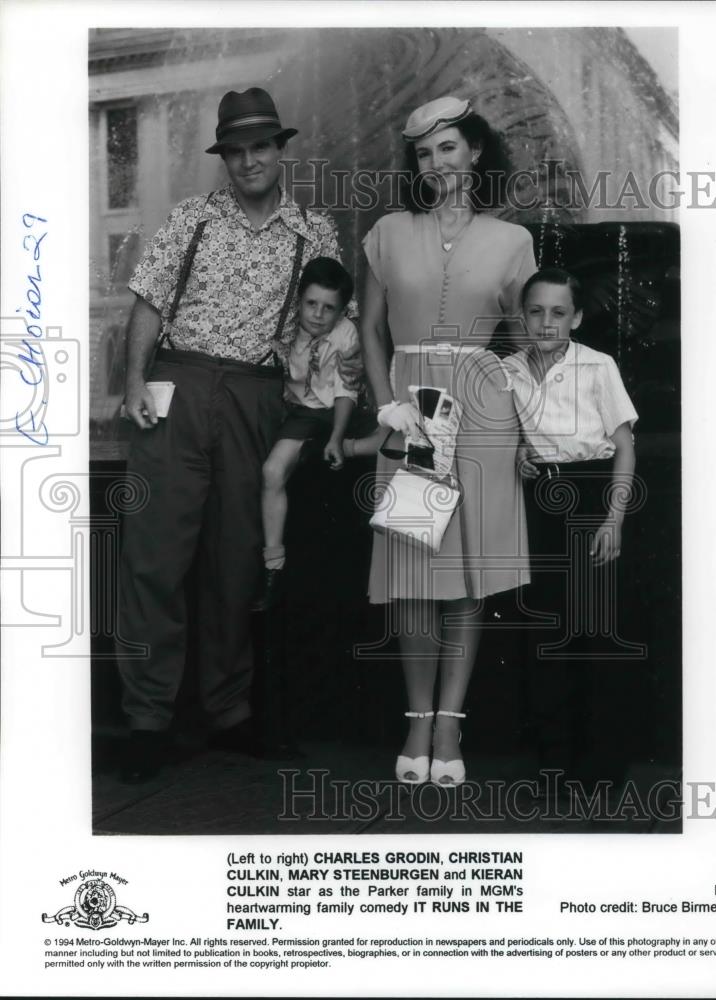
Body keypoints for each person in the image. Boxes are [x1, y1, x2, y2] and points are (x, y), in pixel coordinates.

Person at [117, 87, 346, 783]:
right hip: (178, 386)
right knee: (154, 558)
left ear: (281, 151)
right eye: (237, 150)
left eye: (261, 147)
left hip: (254, 394)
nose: (249, 160)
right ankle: (146, 720)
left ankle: (228, 712)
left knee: (235, 559)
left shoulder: (315, 234)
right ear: (225, 158)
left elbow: (328, 327)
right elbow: (148, 307)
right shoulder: (190, 220)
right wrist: (132, 384)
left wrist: (324, 407)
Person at [360, 95, 536, 786]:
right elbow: (372, 329)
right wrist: (384, 406)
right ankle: (415, 717)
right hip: (415, 413)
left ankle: (449, 726)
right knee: (411, 571)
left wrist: (528, 427)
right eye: (425, 153)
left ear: (475, 153)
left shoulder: (511, 241)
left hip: (483, 411)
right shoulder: (387, 231)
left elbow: (524, 342)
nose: (437, 163)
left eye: (449, 148)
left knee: (466, 575)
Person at [503, 267, 639, 780]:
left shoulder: (597, 366)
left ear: (576, 317)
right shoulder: (509, 371)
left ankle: (601, 768)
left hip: (592, 498)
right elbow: (513, 436)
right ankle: (552, 764)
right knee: (548, 631)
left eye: (558, 313)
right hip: (539, 502)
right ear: (523, 316)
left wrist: (614, 519)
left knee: (596, 632)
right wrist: (519, 453)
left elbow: (625, 445)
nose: (546, 322)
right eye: (536, 311)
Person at [260, 256, 360, 607]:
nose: (317, 314)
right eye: (311, 304)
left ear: (342, 310)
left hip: (330, 411)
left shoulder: (347, 334)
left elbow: (347, 388)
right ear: (300, 300)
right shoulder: (286, 327)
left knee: (280, 472)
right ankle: (273, 562)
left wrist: (336, 435)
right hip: (296, 411)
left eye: (329, 308)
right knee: (271, 471)